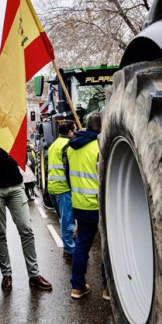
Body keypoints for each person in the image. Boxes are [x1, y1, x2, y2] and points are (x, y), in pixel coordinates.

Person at [0, 99, 52, 292]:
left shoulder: (11, 129)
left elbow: (22, 156)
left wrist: (18, 154)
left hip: (15, 185)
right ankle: (6, 275)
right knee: (0, 233)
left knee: (26, 229)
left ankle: (34, 275)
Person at [66, 113, 103, 299]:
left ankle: (78, 286)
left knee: (82, 244)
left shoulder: (71, 148)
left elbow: (67, 175)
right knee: (107, 246)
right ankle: (108, 289)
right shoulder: (99, 146)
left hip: (80, 203)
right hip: (99, 204)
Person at [47, 120, 77, 264]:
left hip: (52, 187)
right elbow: (68, 168)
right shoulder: (67, 145)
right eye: (74, 130)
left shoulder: (54, 144)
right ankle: (70, 252)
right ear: (70, 132)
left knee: (63, 220)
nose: (75, 132)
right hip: (63, 188)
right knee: (67, 223)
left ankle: (68, 248)